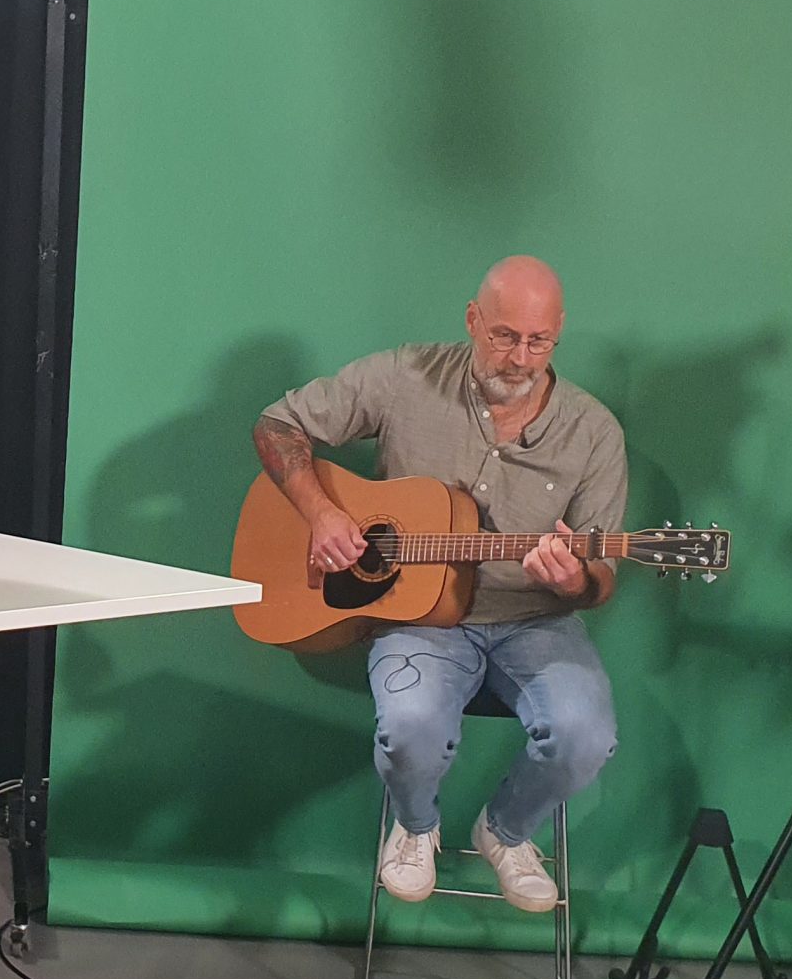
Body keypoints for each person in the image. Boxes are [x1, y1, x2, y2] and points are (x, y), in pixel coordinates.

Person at [252, 257, 625, 912]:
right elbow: (277, 424)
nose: (520, 358)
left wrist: (575, 580)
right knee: (410, 726)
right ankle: (416, 826)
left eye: (539, 341)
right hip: (418, 620)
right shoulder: (406, 375)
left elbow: (601, 582)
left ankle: (505, 832)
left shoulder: (593, 432)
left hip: (535, 621)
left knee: (585, 736)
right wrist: (322, 514)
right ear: (472, 319)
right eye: (504, 336)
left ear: (559, 331)